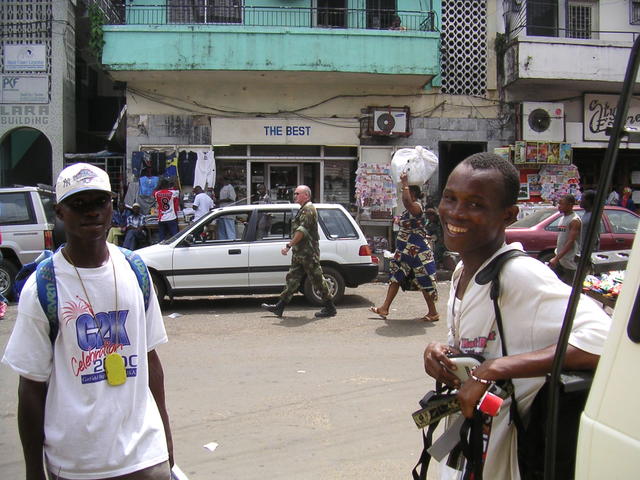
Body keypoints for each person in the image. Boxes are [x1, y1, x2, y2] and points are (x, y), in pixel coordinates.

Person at [422, 153, 610, 479]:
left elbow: (605, 341)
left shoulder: (520, 274)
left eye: (475, 204)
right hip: (470, 449)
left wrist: (498, 368)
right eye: (450, 198)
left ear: (508, 215)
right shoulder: (463, 272)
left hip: (508, 458)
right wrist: (441, 354)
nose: (455, 212)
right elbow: (478, 349)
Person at [2, 163, 174, 480]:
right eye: (78, 204)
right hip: (77, 465)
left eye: (100, 202)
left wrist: (166, 441)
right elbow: (31, 388)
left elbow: (151, 361)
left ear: (112, 206)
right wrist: (32, 470)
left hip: (145, 459)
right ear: (60, 212)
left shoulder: (135, 270)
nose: (91, 213)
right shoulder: (43, 286)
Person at [369, 173, 439, 322]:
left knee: (424, 281)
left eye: (405, 192)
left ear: (412, 193)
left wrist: (405, 183)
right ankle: (385, 308)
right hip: (405, 254)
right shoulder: (408, 211)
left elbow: (407, 202)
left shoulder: (417, 207)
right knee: (396, 277)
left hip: (418, 253)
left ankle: (433, 312)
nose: (403, 195)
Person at [260, 185, 337, 318]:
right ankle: (280, 306)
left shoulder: (309, 209)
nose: (294, 196)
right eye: (294, 193)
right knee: (292, 279)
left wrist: (289, 245)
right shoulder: (303, 209)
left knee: (317, 279)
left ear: (306, 195)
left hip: (308, 253)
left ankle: (330, 307)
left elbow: (302, 231)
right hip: (300, 253)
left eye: (297, 194)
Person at [549, 194, 581, 285]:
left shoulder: (574, 221)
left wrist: (556, 258)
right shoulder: (563, 218)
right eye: (559, 204)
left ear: (570, 205)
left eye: (561, 204)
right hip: (561, 259)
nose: (559, 206)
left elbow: (570, 242)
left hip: (569, 261)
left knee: (570, 286)